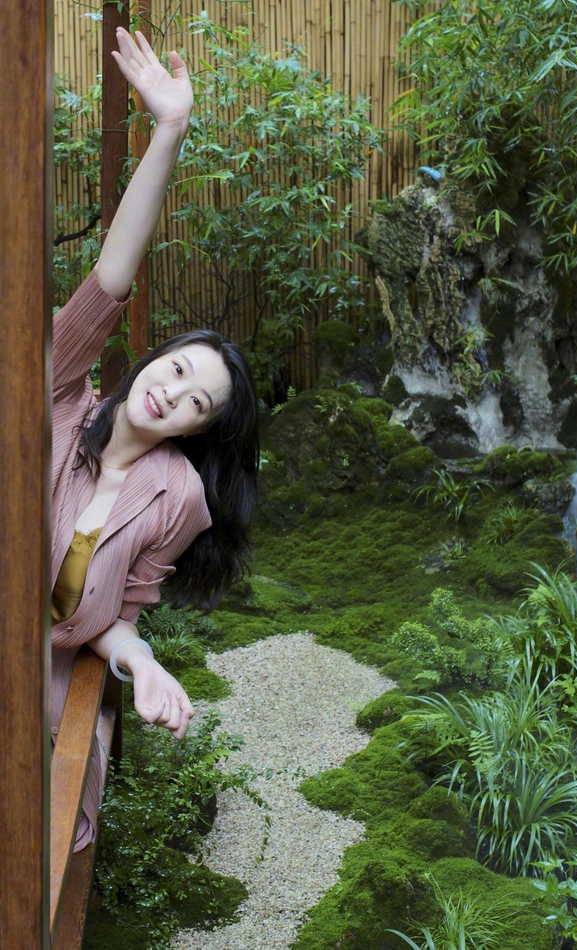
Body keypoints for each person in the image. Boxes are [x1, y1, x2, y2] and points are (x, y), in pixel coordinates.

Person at [51, 27, 259, 850]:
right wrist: (169, 129)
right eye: (177, 369)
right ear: (153, 361)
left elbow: (113, 616)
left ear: (198, 429)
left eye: (196, 401)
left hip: (39, 687)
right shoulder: (58, 401)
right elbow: (111, 281)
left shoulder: (177, 498)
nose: (172, 392)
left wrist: (142, 665)